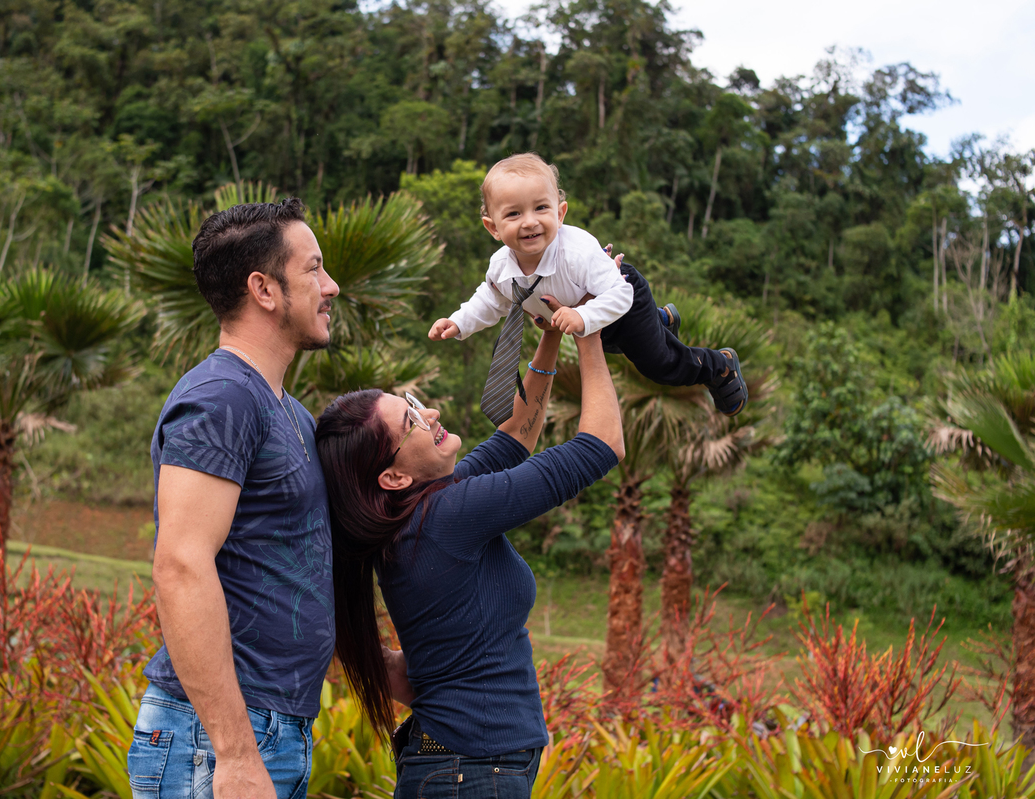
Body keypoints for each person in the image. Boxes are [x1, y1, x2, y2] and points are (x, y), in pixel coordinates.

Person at [314, 298, 626, 799]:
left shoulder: (420, 511)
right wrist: (588, 331)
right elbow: (602, 445)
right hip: (471, 771)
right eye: (412, 423)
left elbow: (515, 440)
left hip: (461, 767)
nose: (430, 412)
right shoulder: (446, 517)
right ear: (393, 477)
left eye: (412, 404)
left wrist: (551, 336)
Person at [128, 199, 349, 799]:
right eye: (314, 269)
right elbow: (180, 566)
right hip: (219, 735)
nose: (330, 287)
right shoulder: (223, 398)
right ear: (264, 289)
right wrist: (235, 751)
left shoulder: (289, 413)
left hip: (271, 725)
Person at [428, 152, 748, 416]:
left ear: (561, 212)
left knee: (658, 365)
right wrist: (458, 323)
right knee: (615, 344)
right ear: (492, 227)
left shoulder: (577, 253)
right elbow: (490, 300)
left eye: (541, 208)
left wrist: (582, 316)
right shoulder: (500, 267)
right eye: (513, 214)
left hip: (618, 294)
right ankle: (660, 320)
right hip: (586, 318)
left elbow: (620, 293)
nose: (529, 221)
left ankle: (719, 366)